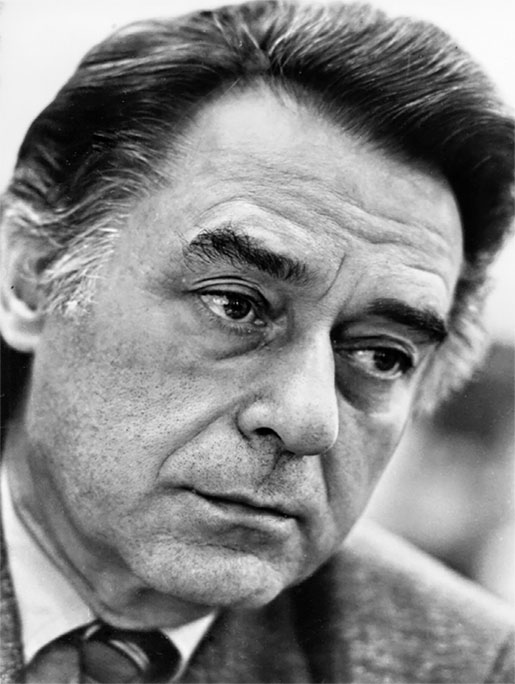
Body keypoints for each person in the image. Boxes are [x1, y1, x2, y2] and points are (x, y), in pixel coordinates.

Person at [0, 1, 513, 682]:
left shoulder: (468, 666)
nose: (308, 420)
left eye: (381, 356)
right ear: (34, 276)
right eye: (236, 306)